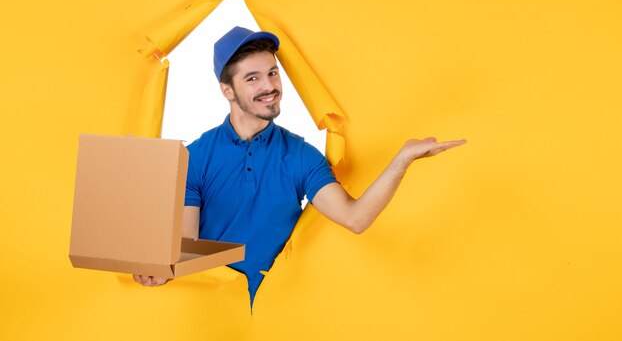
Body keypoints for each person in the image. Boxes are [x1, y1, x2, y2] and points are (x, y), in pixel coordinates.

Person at [134, 27, 466, 302]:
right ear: (228, 91)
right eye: (252, 79)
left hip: (281, 312)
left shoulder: (301, 156)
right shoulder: (195, 157)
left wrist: (402, 159)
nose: (269, 87)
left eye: (272, 73)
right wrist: (161, 267)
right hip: (212, 312)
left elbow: (355, 217)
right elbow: (186, 246)